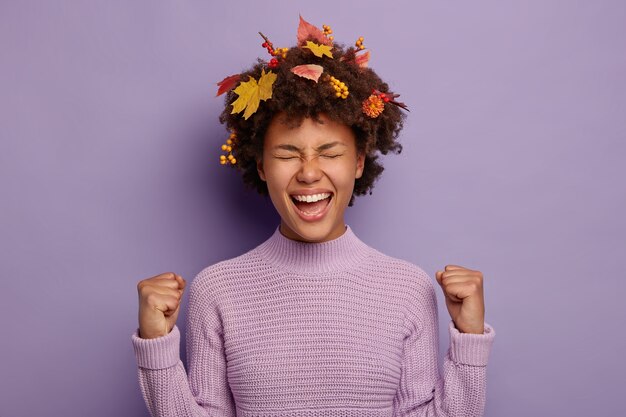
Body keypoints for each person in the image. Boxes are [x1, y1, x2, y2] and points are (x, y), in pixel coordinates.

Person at [132, 16, 495, 417]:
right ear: (260, 166)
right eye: (288, 154)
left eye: (330, 153)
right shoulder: (216, 292)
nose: (308, 172)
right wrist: (157, 348)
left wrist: (469, 339)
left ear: (358, 162)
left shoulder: (408, 289)